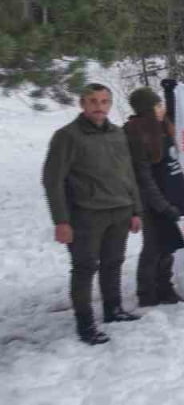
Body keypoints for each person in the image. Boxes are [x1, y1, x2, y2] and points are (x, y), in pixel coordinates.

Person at [42, 84, 144, 345]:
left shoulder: (117, 134)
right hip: (87, 215)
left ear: (110, 105)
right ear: (82, 104)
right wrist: (61, 221)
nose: (99, 106)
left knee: (113, 263)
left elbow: (128, 173)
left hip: (119, 211)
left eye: (104, 101)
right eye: (93, 101)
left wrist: (135, 210)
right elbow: (53, 181)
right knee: (85, 268)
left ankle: (113, 309)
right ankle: (85, 324)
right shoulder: (67, 136)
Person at [124, 87, 184, 307]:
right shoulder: (138, 134)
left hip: (174, 194)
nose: (162, 108)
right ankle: (146, 293)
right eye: (158, 105)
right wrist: (162, 205)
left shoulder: (162, 129)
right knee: (153, 248)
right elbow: (144, 178)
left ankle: (165, 286)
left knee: (168, 246)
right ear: (148, 109)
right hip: (154, 202)